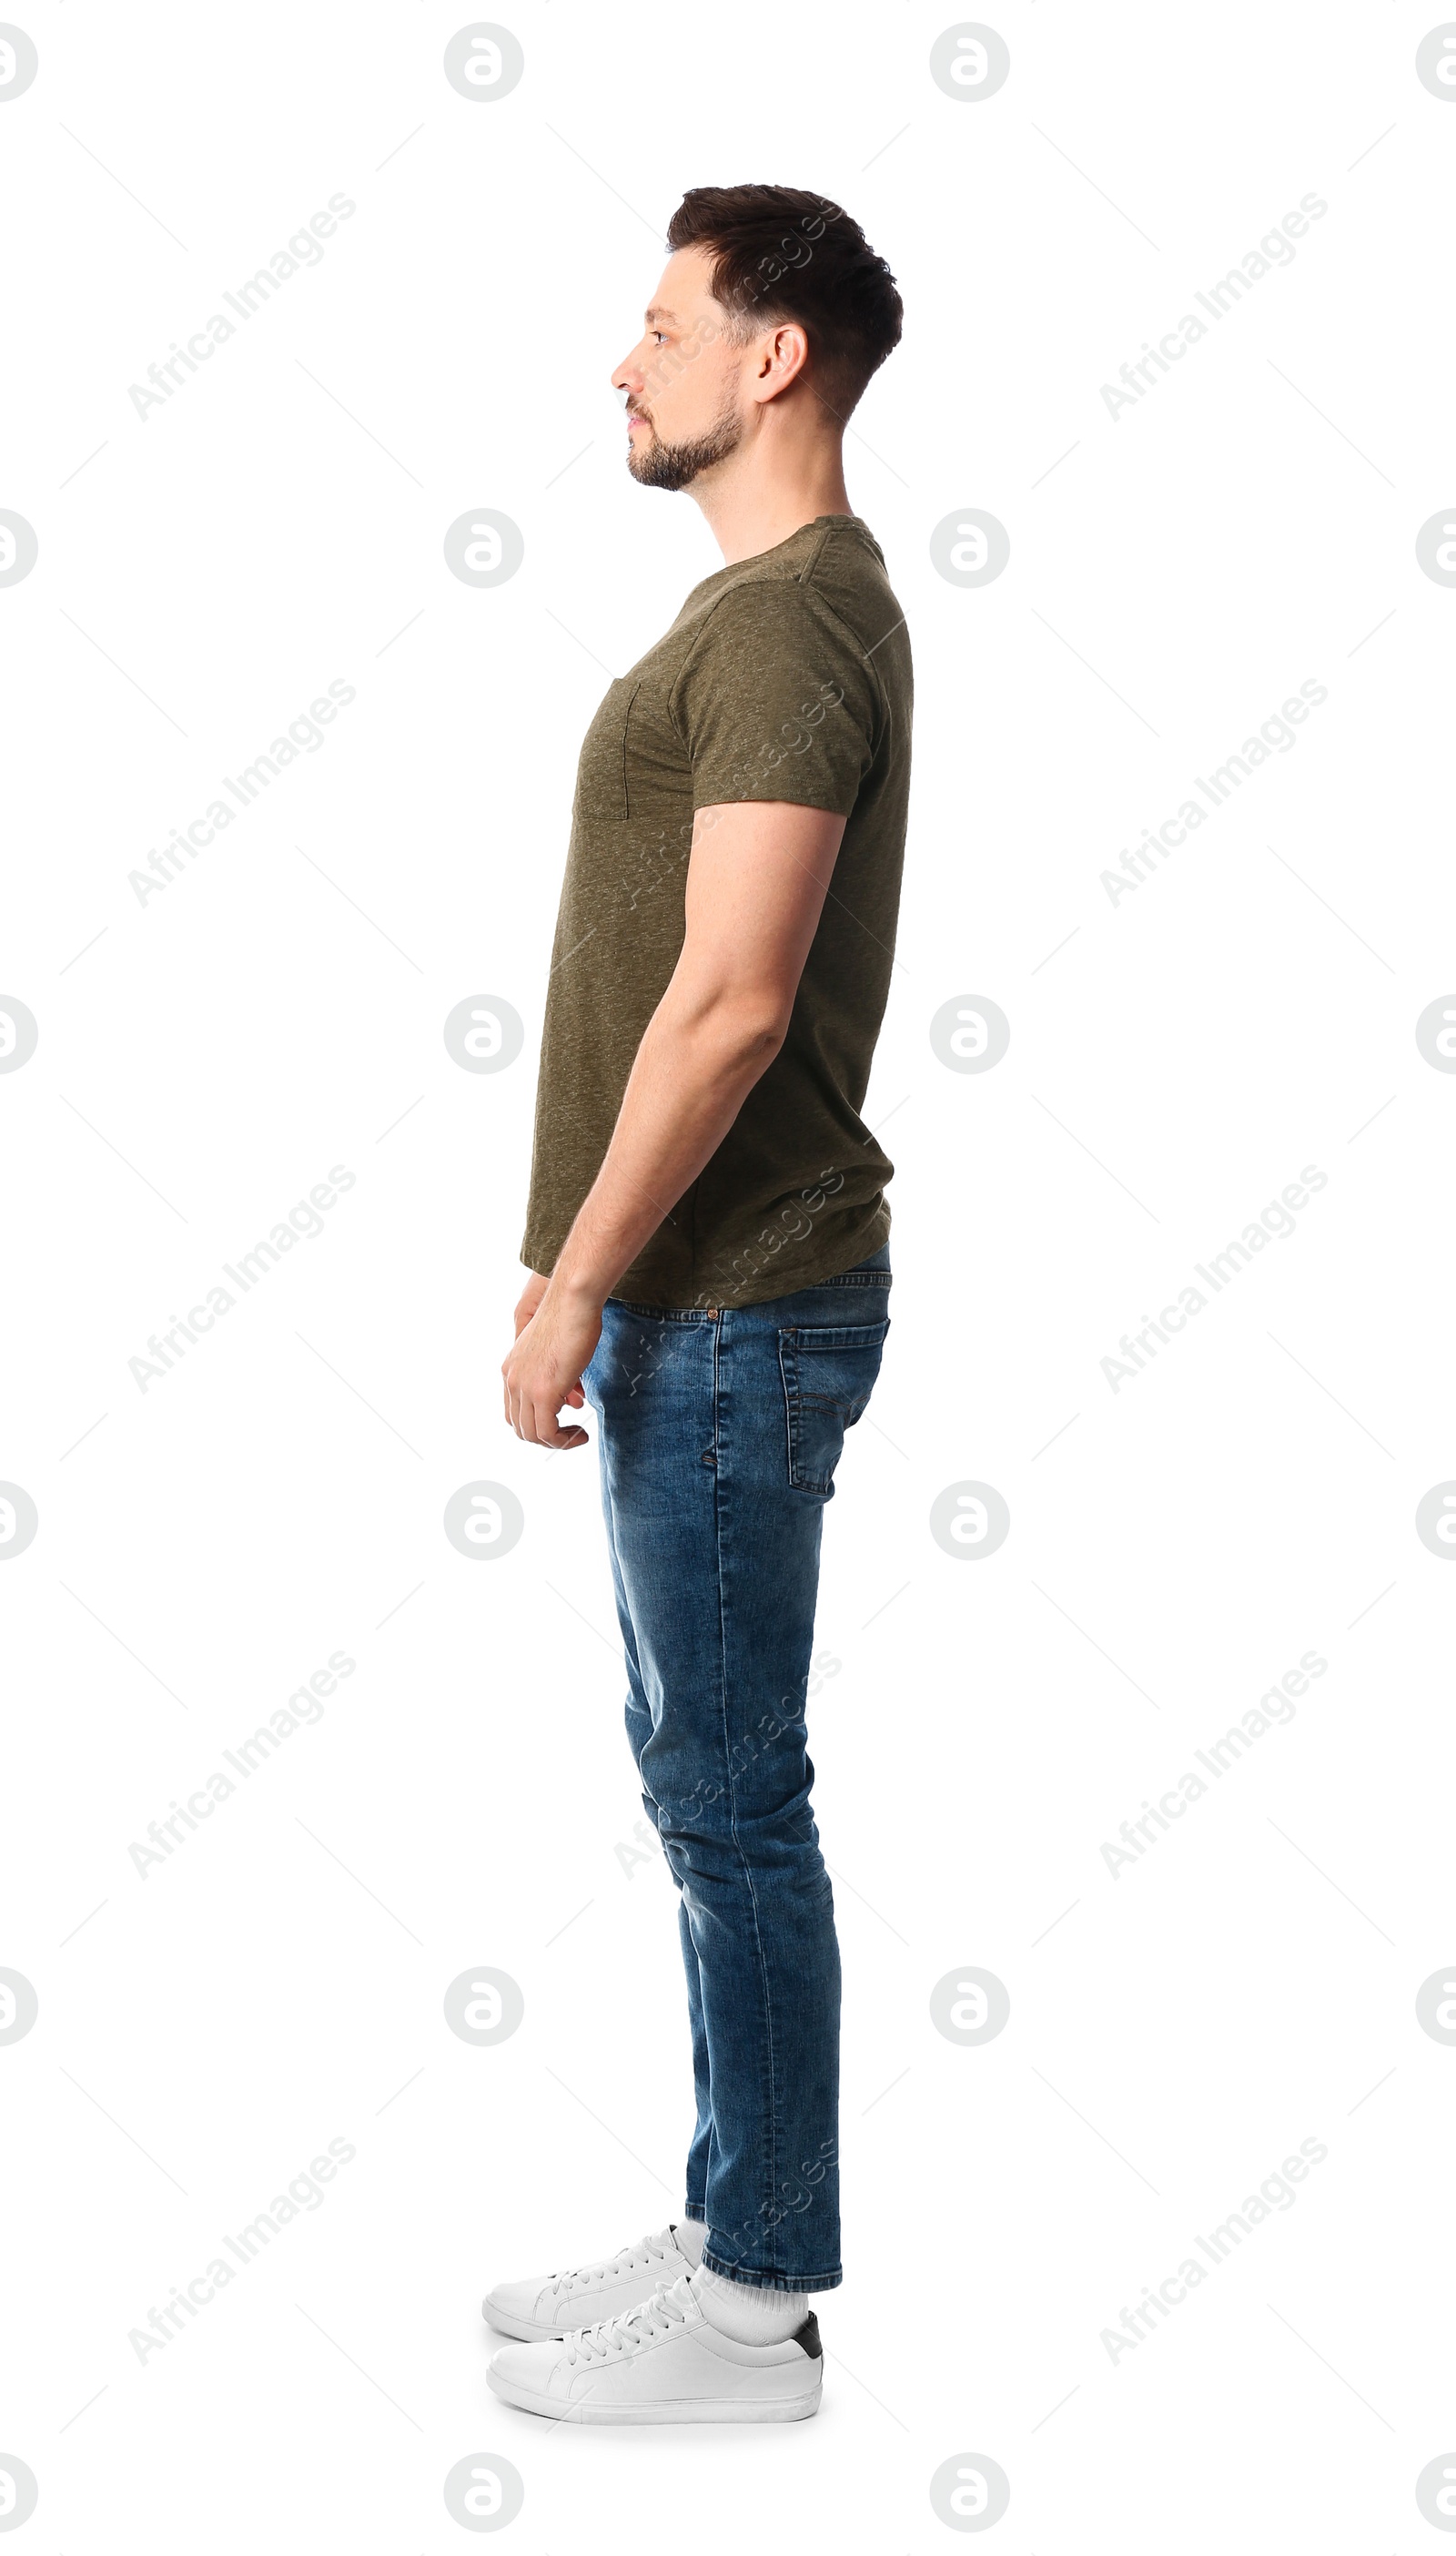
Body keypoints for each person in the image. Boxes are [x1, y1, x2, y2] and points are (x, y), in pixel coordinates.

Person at [487, 183, 912, 2425]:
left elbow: (732, 1007)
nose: (623, 360)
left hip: (729, 1303)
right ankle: (739, 2208)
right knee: (705, 1783)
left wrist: (572, 1287)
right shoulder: (779, 608)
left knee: (730, 1797)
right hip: (716, 1308)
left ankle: (756, 2307)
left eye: (660, 322)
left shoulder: (783, 627)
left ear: (772, 359)